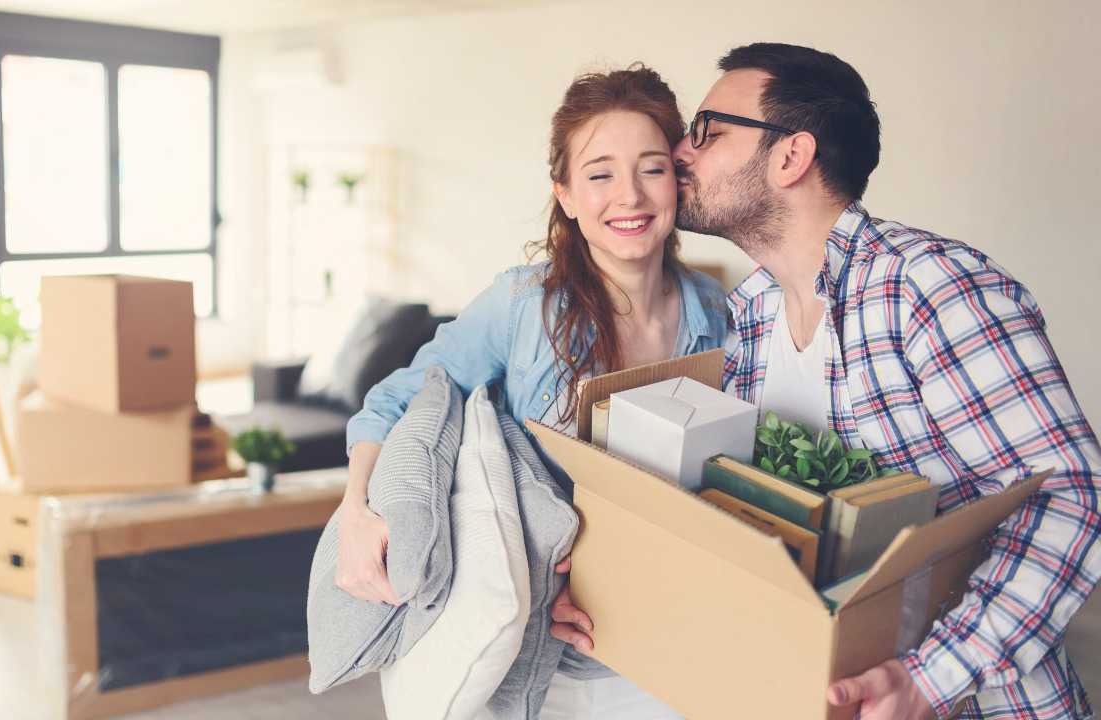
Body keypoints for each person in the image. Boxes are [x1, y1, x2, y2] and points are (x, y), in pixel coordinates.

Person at [660, 42, 1097, 719]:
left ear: (790, 156)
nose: (682, 152)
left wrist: (930, 678)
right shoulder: (750, 311)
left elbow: (1075, 496)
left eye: (708, 131)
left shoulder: (931, 289)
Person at [337, 64, 728, 718]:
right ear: (567, 195)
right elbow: (393, 402)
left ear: (678, 182)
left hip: (672, 634)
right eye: (599, 173)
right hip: (546, 655)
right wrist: (356, 512)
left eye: (652, 168)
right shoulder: (523, 305)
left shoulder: (723, 315)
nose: (628, 195)